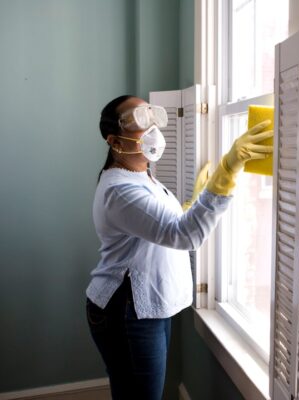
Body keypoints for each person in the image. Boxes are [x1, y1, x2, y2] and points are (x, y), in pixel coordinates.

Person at [86, 95, 273, 400]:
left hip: (144, 306)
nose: (152, 126)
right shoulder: (119, 189)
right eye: (138, 119)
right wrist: (226, 172)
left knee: (131, 391)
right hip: (126, 308)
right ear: (114, 140)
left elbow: (159, 225)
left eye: (151, 114)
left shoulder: (142, 176)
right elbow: (184, 236)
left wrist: (194, 202)